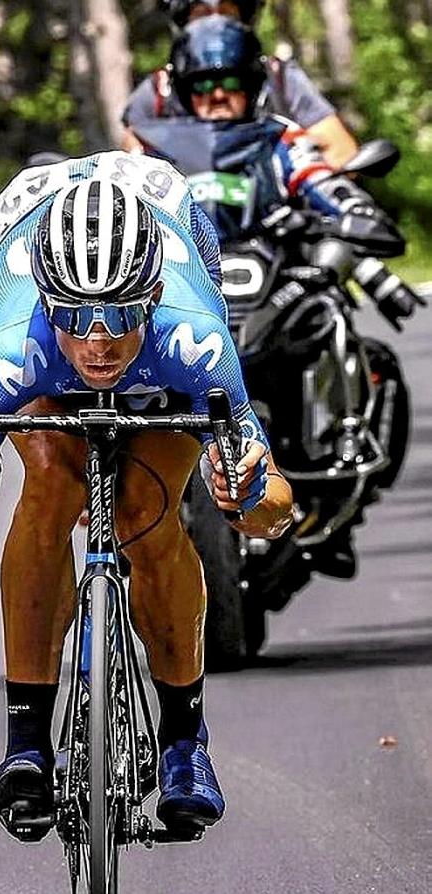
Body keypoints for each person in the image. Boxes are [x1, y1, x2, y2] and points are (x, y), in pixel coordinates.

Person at [0, 151, 294, 841]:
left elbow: (275, 508)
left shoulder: (189, 333)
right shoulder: (14, 345)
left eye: (120, 315)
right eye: (77, 318)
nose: (99, 341)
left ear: (152, 298)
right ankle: (25, 746)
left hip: (172, 238)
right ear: (50, 304)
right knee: (48, 485)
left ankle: (185, 746)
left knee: (147, 511)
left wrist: (247, 485)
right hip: (18, 235)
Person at [130, 15, 423, 578]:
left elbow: (323, 178)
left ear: (253, 86)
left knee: (333, 316)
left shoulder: (280, 140)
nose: (217, 97)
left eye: (230, 85)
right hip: (188, 292)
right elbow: (115, 205)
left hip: (275, 277)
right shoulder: (151, 157)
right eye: (204, 87)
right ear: (183, 93)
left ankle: (343, 446)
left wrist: (352, 209)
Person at [123, 2, 358, 167]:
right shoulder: (159, 89)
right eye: (202, 15)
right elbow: (130, 163)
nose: (217, 94)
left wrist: (296, 166)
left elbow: (341, 151)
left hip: (276, 222)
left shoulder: (278, 77)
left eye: (226, 13)